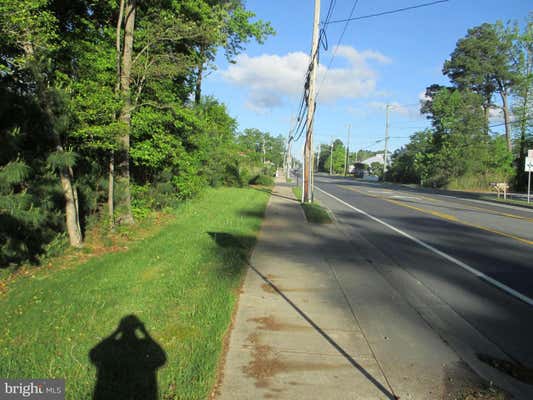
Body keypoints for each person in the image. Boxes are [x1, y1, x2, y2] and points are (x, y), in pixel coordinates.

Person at [89, 315, 166, 400]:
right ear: (137, 328)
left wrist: (116, 332)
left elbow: (94, 353)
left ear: (122, 328)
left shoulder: (115, 345)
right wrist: (145, 333)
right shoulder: (143, 345)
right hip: (141, 392)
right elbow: (162, 357)